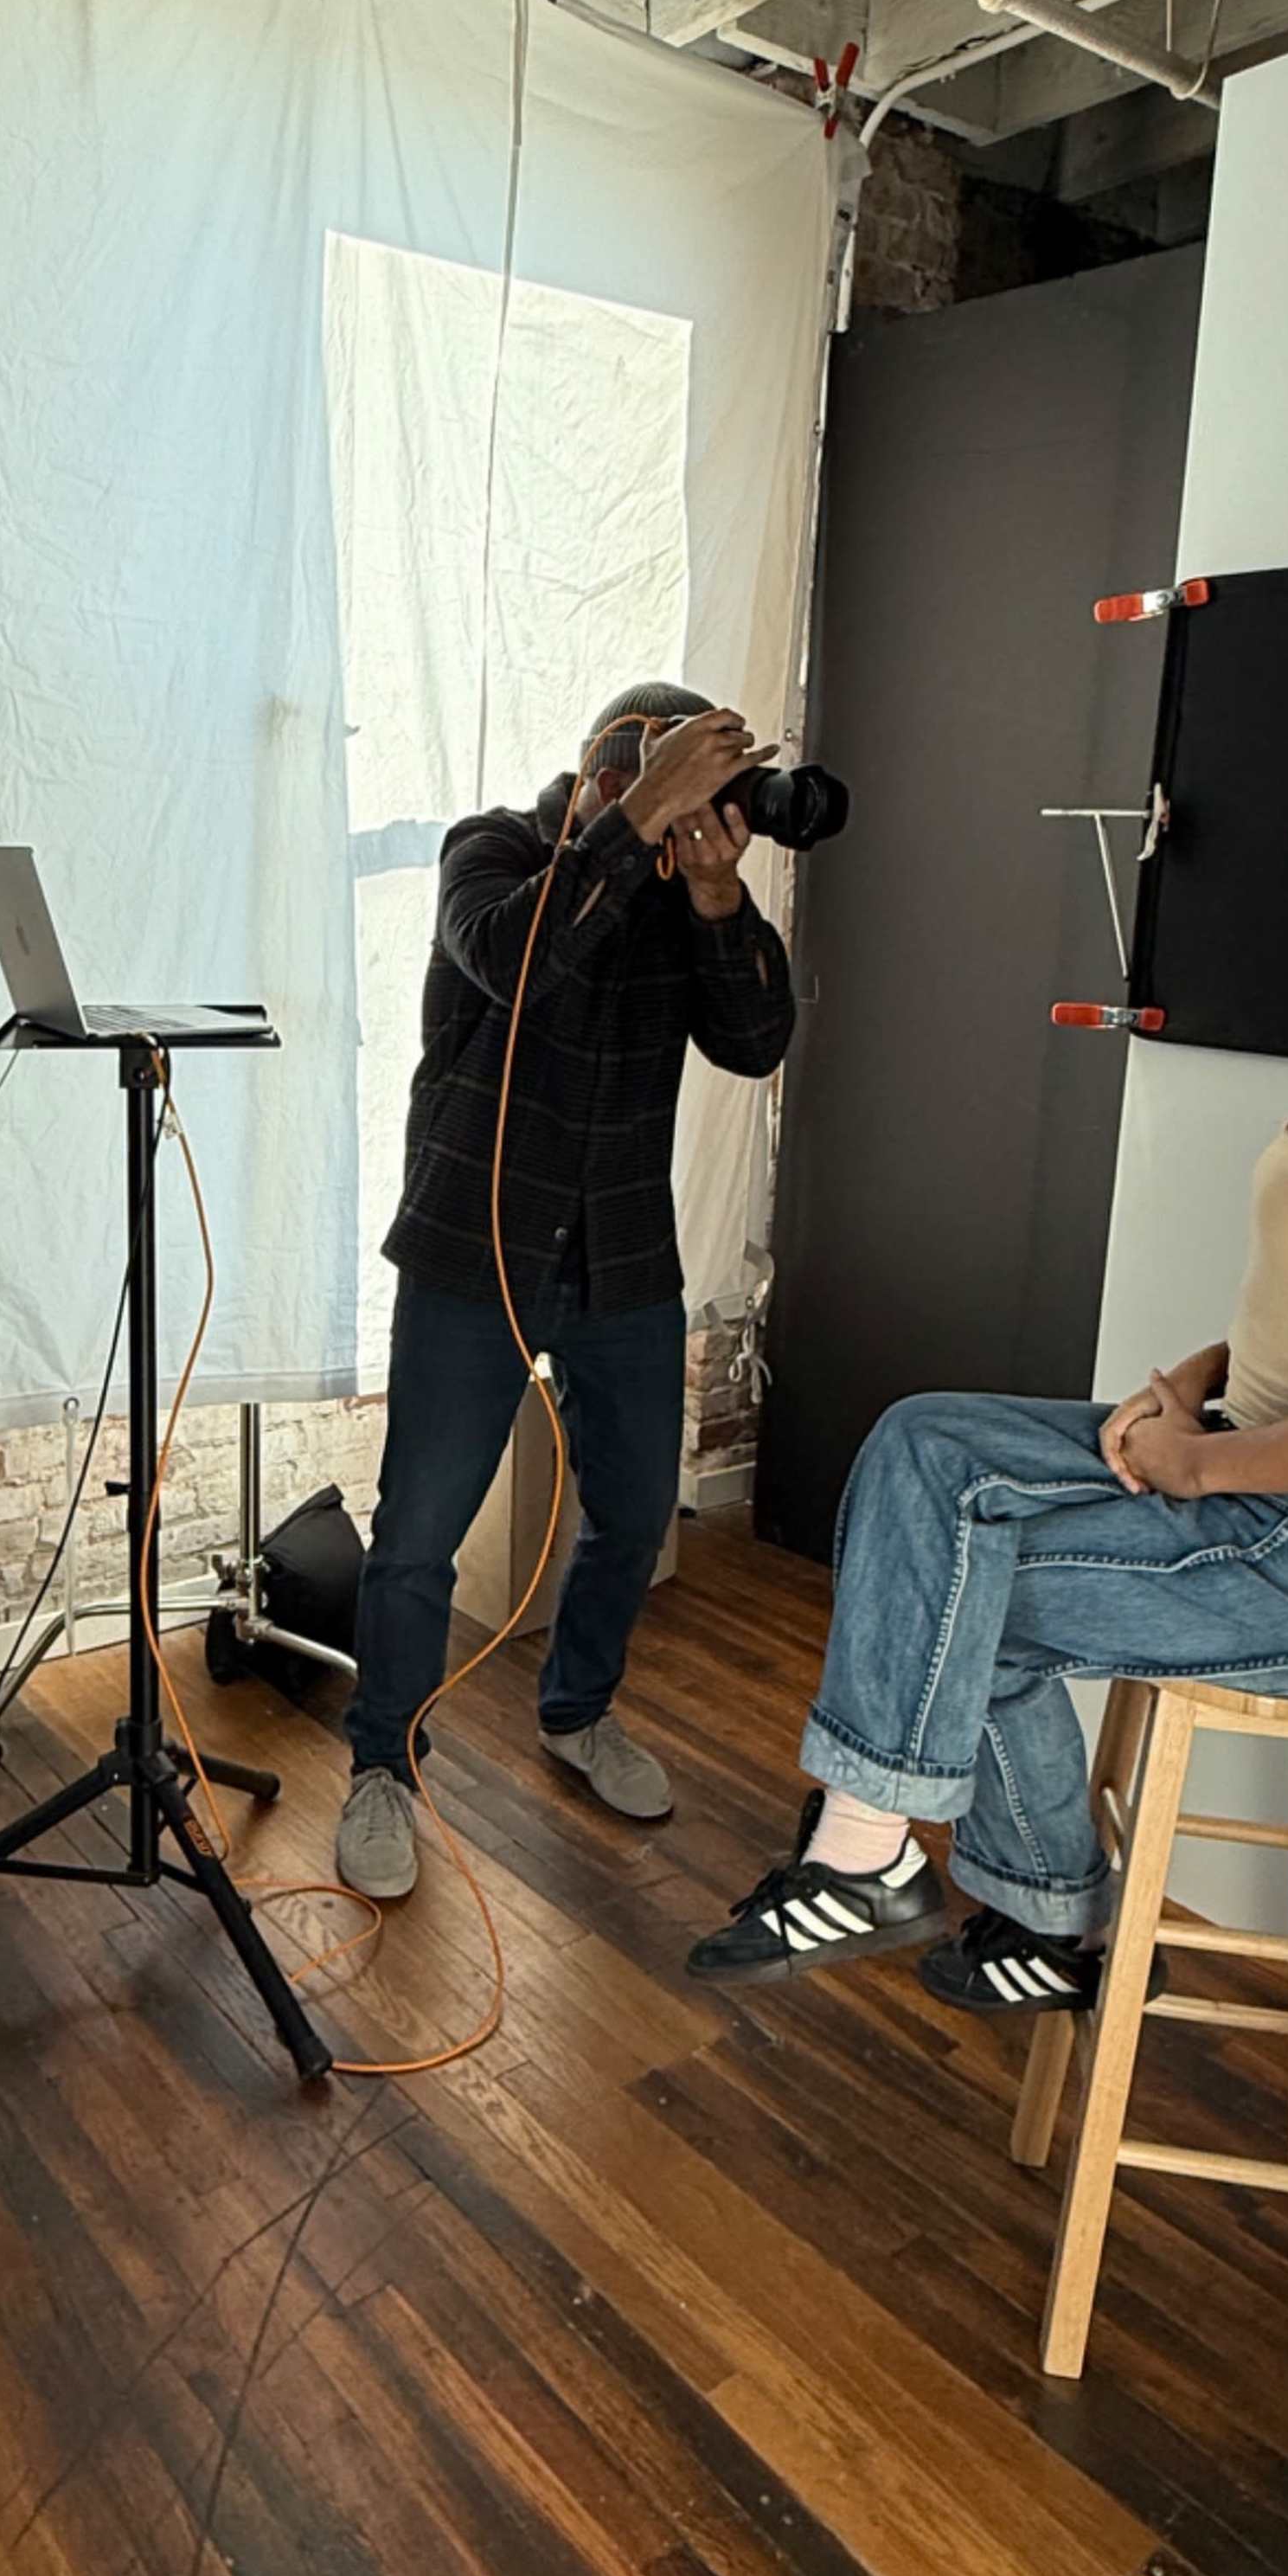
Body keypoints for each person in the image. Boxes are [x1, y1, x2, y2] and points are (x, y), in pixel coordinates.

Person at [687, 665, 1288, 1996]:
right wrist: (1190, 1387)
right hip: (1287, 1474)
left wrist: (1193, 1463)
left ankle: (916, 1875)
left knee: (966, 1593)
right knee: (924, 1448)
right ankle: (977, 1896)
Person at [336, 681, 798, 1901]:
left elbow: (757, 1042)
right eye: (675, 786)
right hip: (473, 1251)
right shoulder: (494, 848)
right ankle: (383, 1764)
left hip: (622, 1259)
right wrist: (633, 823)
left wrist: (713, 892)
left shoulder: (669, 891)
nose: (693, 815)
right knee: (420, 1537)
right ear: (614, 768)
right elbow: (515, 962)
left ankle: (577, 1709)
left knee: (639, 1512)